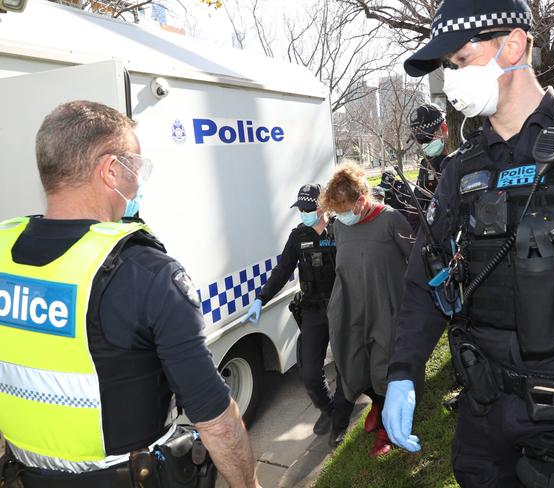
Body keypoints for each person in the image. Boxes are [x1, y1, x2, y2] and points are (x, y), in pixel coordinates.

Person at [382, 1, 554, 487]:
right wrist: (403, 369)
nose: (453, 79)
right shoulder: (461, 169)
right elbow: (425, 277)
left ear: (513, 45)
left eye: (460, 61)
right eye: (448, 68)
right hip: (485, 414)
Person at [0, 100, 260, 488]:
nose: (137, 180)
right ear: (110, 170)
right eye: (135, 167)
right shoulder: (148, 274)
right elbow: (217, 420)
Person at [242, 184, 354, 447]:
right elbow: (282, 271)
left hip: (339, 308)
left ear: (323, 207)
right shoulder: (297, 237)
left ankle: (340, 420)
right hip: (313, 310)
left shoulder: (340, 231)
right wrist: (261, 298)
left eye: (307, 208)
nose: (303, 213)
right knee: (310, 374)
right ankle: (328, 410)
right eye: (300, 209)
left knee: (344, 368)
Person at [319, 163, 414, 457]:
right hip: (350, 307)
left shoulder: (391, 220)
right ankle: (376, 403)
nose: (340, 217)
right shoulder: (339, 226)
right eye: (336, 212)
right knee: (353, 363)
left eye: (344, 209)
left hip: (385, 307)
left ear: (361, 201)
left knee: (384, 366)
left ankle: (388, 428)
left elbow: (415, 262)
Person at [408, 104, 450, 232]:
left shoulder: (462, 158)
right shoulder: (427, 165)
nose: (424, 144)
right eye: (420, 141)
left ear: (443, 128)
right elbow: (415, 209)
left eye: (427, 137)